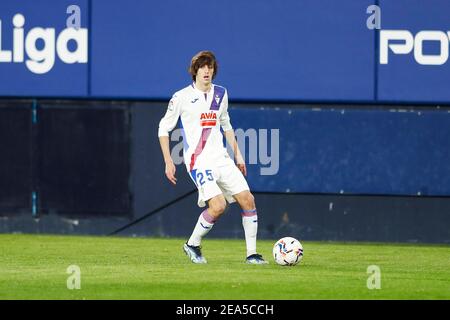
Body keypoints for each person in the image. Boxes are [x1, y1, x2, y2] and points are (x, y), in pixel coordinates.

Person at [158, 51, 267, 264]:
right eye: (202, 67)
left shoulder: (221, 94)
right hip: (198, 161)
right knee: (218, 206)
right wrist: (168, 160)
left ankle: (252, 255)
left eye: (210, 67)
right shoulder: (181, 97)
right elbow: (163, 128)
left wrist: (238, 155)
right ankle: (192, 245)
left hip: (221, 158)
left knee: (248, 199)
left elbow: (226, 124)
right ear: (195, 71)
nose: (207, 71)